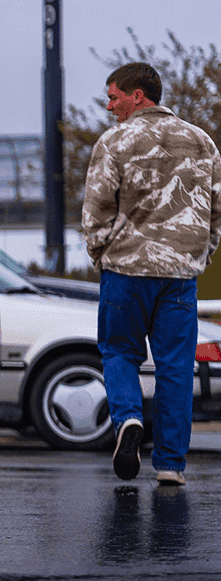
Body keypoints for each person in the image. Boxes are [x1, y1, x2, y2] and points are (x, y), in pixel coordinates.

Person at [83, 62, 221, 486]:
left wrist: (101, 255)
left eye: (113, 97)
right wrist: (199, 255)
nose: (109, 107)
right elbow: (215, 212)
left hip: (126, 270)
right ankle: (171, 464)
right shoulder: (202, 142)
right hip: (180, 274)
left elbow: (96, 210)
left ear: (137, 95)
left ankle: (127, 417)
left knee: (120, 352)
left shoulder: (115, 141)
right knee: (175, 367)